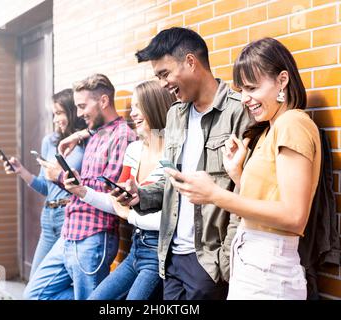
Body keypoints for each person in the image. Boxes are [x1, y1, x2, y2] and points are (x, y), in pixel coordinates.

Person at [165, 37, 321, 300]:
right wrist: (237, 173)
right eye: (242, 90)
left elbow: (295, 216)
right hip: (256, 265)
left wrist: (214, 194)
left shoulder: (292, 123)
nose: (245, 99)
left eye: (252, 88)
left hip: (268, 270)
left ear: (282, 80)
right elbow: (269, 199)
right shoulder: (272, 128)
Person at [114, 27, 252, 300]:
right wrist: (139, 195)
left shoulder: (239, 110)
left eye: (164, 74)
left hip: (209, 263)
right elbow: (171, 181)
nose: (163, 83)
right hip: (172, 259)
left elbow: (245, 189)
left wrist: (223, 262)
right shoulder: (175, 114)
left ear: (191, 62)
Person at [23, 74, 136, 300]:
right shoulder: (95, 132)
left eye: (83, 106)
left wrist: (60, 175)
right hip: (70, 232)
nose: (80, 113)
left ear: (103, 101)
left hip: (93, 236)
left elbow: (110, 191)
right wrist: (79, 134)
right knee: (33, 295)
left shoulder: (123, 135)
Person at [64, 80, 174, 300]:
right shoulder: (134, 150)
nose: (132, 113)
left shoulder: (174, 154)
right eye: (131, 107)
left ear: (155, 106)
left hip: (159, 252)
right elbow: (118, 205)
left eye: (137, 106)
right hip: (136, 247)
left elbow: (176, 214)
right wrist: (81, 191)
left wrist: (130, 214)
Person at [1, 88, 87, 277]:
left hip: (70, 217)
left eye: (59, 113)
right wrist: (21, 170)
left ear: (73, 112)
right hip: (48, 217)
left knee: (68, 282)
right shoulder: (49, 141)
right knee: (35, 283)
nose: (55, 119)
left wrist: (59, 175)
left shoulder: (86, 143)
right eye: (53, 114)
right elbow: (43, 186)